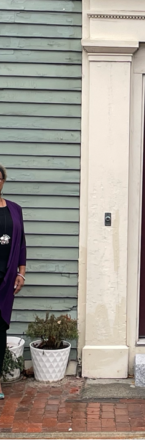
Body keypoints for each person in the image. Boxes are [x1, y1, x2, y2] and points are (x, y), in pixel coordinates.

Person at [0, 164, 26, 399]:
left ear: (3, 181)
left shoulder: (15, 209)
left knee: (0, 330)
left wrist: (21, 272)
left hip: (6, 280)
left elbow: (22, 244)